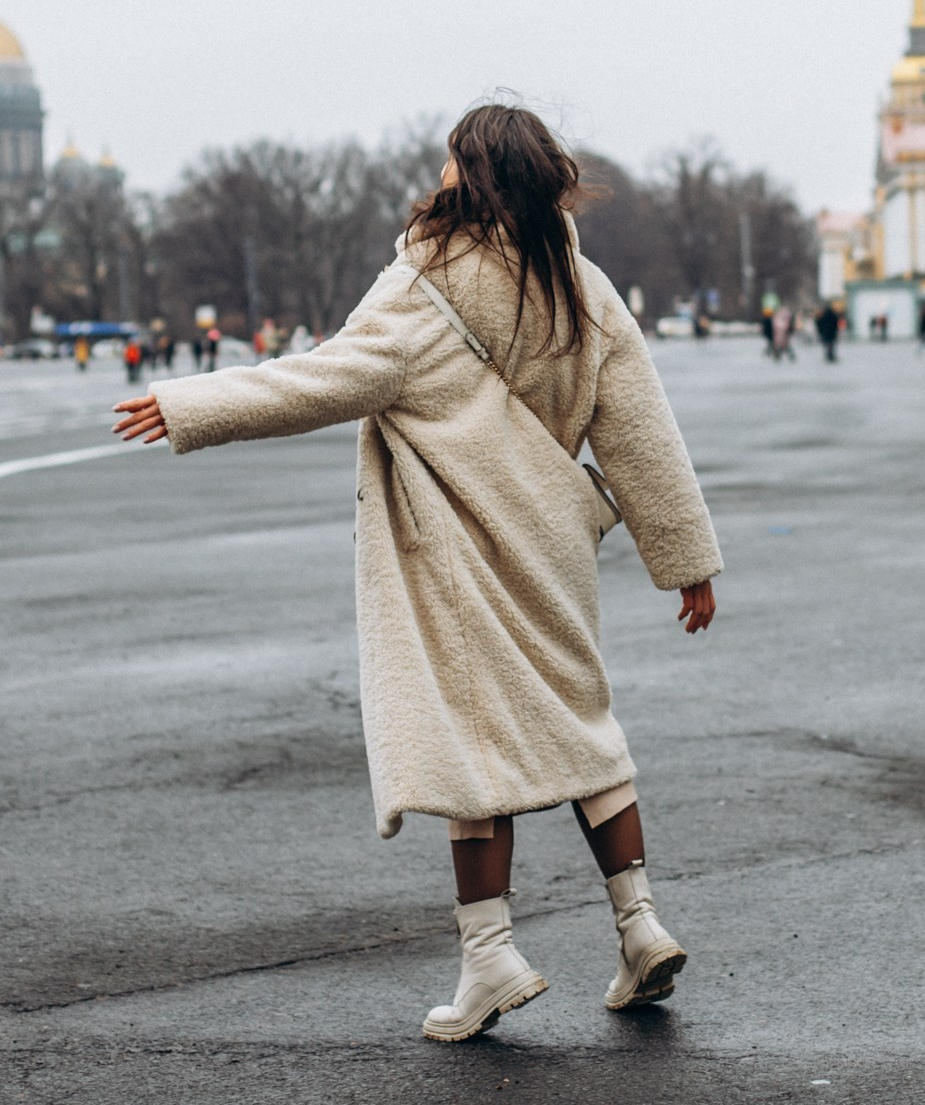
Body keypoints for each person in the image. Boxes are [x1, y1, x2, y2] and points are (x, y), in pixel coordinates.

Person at [111, 103, 721, 1043]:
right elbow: (640, 429)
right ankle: (639, 925)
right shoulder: (584, 286)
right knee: (581, 725)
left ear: (472, 173)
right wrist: (686, 562)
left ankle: (490, 956)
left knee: (467, 744)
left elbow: (324, 378)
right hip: (553, 544)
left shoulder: (429, 283)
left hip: (461, 548)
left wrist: (190, 404)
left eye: (449, 159)